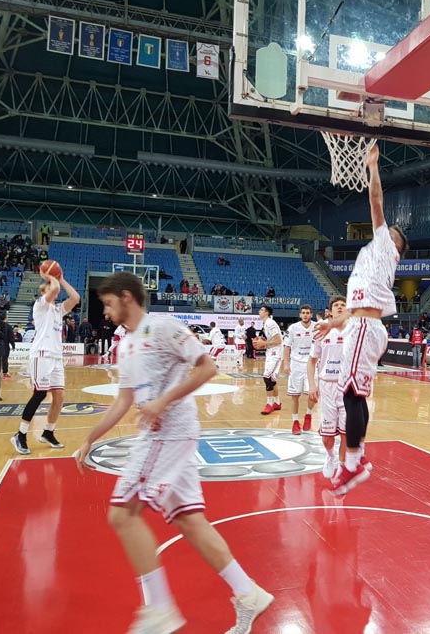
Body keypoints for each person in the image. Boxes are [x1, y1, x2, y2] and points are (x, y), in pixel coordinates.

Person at [74, 272, 273, 634]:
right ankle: (249, 593)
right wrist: (90, 437)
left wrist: (163, 402)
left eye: (107, 303)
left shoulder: (163, 326)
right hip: (161, 435)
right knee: (189, 521)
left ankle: (160, 609)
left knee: (122, 514)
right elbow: (124, 400)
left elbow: (208, 367)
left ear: (126, 298)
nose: (104, 311)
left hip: (169, 433)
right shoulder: (126, 344)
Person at [314, 143, 408, 496]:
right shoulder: (372, 261)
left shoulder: (385, 246)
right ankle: (360, 457)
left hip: (366, 328)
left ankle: (352, 465)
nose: (385, 229)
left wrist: (372, 167)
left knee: (351, 394)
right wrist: (334, 324)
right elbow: (353, 309)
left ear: (395, 245)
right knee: (356, 394)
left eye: (391, 232)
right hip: (362, 324)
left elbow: (375, 200)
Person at [10, 269, 80, 455]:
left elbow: (75, 298)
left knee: (59, 397)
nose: (55, 291)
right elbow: (54, 289)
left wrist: (62, 278)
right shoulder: (40, 305)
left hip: (56, 357)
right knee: (39, 394)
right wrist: (50, 276)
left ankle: (48, 432)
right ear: (45, 292)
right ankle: (20, 435)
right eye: (50, 289)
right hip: (41, 355)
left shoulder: (58, 310)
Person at [308, 296, 347, 479]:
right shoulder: (322, 331)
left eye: (343, 305)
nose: (340, 307)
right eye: (336, 305)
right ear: (330, 311)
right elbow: (312, 360)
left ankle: (342, 466)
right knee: (327, 436)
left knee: (347, 433)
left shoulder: (353, 332)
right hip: (327, 386)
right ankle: (330, 456)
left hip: (347, 387)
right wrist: (312, 384)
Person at [282, 304, 315, 434]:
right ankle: (295, 422)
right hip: (296, 365)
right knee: (295, 396)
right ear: (300, 315)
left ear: (311, 315)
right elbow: (286, 347)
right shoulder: (293, 328)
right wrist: (286, 364)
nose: (305, 315)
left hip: (312, 364)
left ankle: (308, 415)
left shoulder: (317, 327)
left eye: (308, 312)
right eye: (303, 313)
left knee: (312, 394)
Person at [253, 305, 282, 415]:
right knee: (272, 379)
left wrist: (264, 343)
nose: (259, 311)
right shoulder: (266, 323)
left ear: (267, 313)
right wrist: (263, 343)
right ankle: (277, 403)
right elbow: (272, 340)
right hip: (271, 351)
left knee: (267, 377)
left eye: (261, 310)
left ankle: (269, 404)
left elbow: (278, 340)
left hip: (276, 352)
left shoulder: (270, 323)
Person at [0, 312, 15, 379]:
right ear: (6, 318)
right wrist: (13, 345)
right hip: (5, 345)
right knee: (5, 359)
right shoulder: (8, 326)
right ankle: (5, 373)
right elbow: (11, 337)